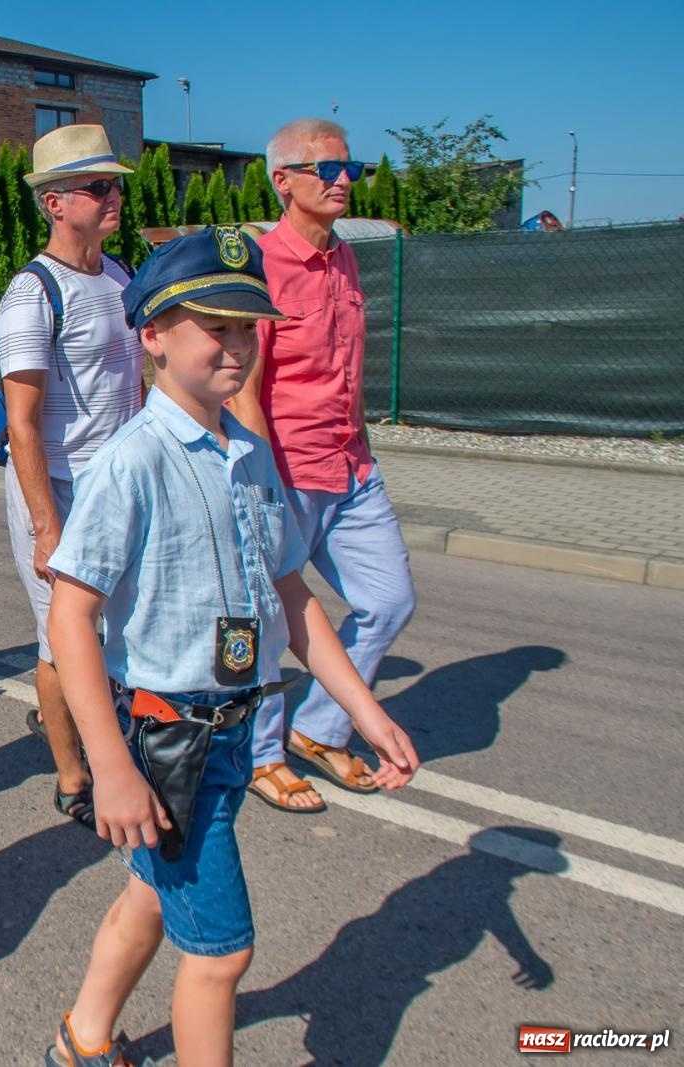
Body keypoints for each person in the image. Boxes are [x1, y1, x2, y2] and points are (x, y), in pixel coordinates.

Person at [42, 228, 420, 1067]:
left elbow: (293, 596)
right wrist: (109, 764)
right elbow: (70, 618)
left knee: (151, 894)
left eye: (249, 327)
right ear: (153, 337)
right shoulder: (132, 462)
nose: (238, 345)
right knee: (220, 952)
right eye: (216, 327)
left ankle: (83, 1038)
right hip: (165, 738)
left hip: (233, 732)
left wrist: (365, 709)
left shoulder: (249, 453)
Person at [227, 118, 418, 814]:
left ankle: (320, 726)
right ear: (283, 181)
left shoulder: (344, 258)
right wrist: (256, 478)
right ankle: (263, 753)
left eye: (351, 168)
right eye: (326, 169)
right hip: (284, 470)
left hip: (351, 466)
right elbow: (245, 384)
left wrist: (363, 444)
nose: (343, 181)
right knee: (272, 623)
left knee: (390, 599)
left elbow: (348, 366)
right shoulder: (261, 267)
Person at [0, 124, 142, 831]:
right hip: (58, 489)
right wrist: (47, 525)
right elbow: (21, 422)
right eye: (98, 186)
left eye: (116, 184)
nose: (115, 196)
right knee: (63, 640)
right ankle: (72, 772)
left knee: (117, 631)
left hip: (118, 486)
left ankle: (112, 742)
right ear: (55, 202)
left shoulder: (118, 278)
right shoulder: (32, 292)